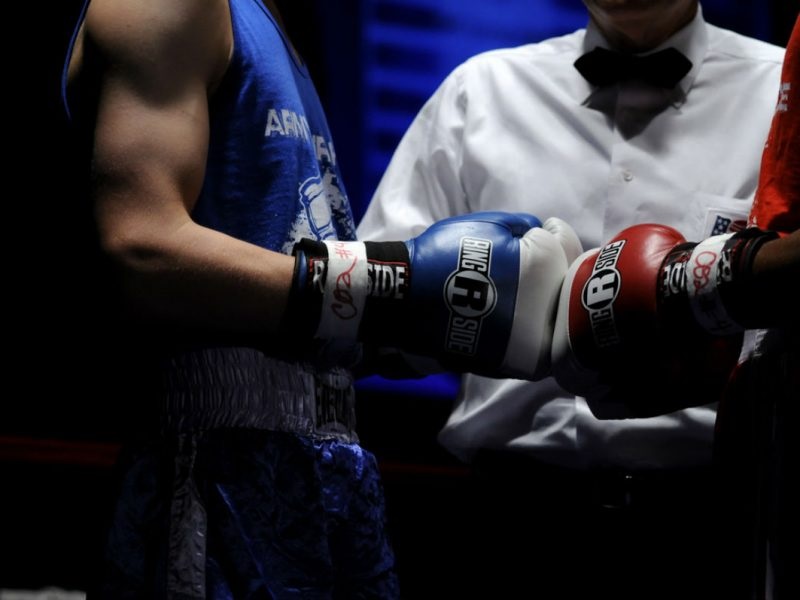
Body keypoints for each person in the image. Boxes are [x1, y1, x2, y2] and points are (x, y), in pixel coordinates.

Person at [62, 0, 580, 597]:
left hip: (334, 477)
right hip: (208, 472)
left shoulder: (282, 31)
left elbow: (294, 310)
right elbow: (141, 250)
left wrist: (438, 325)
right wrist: (395, 288)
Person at [357, 1, 785, 598]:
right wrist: (457, 314)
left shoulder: (781, 95)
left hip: (713, 525)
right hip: (507, 521)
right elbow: (368, 320)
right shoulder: (478, 93)